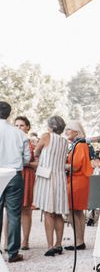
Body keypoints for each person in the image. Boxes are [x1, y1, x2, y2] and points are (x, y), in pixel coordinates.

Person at [34, 116, 69, 256]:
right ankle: (59, 244)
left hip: (47, 176)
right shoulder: (64, 141)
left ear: (50, 126)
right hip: (60, 177)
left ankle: (50, 246)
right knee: (58, 212)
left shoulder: (46, 136)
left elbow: (36, 151)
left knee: (48, 212)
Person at [0, 102, 30, 263]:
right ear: (9, 114)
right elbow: (26, 159)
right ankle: (12, 252)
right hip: (13, 175)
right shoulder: (18, 133)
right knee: (13, 214)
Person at [64, 120, 93, 250]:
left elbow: (75, 166)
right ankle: (80, 241)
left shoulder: (80, 145)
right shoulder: (79, 144)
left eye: (68, 129)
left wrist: (61, 165)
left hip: (77, 180)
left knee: (72, 210)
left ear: (76, 131)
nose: (66, 131)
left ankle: (79, 240)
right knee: (78, 211)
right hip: (79, 180)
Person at [13, 116, 37, 251]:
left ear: (28, 127)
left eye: (21, 125)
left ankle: (25, 241)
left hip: (27, 175)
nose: (19, 128)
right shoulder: (10, 142)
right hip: (13, 173)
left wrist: (26, 163)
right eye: (16, 125)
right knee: (10, 210)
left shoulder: (32, 144)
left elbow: (38, 164)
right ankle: (7, 242)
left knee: (26, 209)